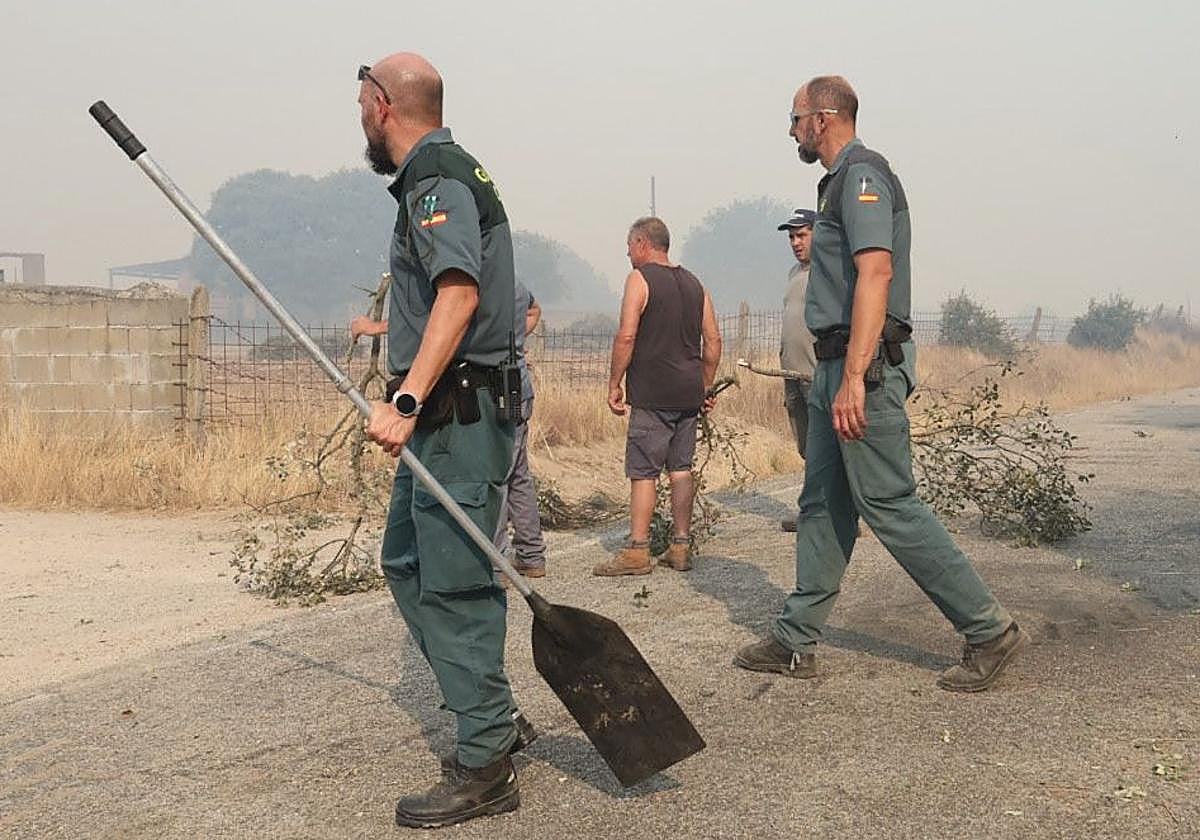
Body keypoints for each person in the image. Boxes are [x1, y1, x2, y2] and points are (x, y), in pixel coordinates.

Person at [734, 76, 1028, 692]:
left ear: (824, 117)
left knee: (888, 502)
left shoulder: (864, 176)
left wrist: (856, 380)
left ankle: (988, 629)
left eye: (794, 119)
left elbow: (876, 274)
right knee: (821, 503)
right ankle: (796, 640)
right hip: (833, 365)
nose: (790, 130)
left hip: (860, 368)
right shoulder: (836, 183)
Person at [353, 52, 530, 828]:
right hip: (444, 421)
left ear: (383, 104)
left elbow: (458, 293)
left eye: (361, 100)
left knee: (454, 583)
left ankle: (487, 763)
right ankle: (488, 706)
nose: (359, 115)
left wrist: (404, 397)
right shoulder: (444, 175)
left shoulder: (437, 179)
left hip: (455, 415)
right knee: (407, 561)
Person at [595, 217, 722, 576]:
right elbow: (713, 342)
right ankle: (680, 545)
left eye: (629, 245)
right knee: (681, 469)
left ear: (642, 242)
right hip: (687, 394)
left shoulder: (640, 279)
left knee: (644, 472)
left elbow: (626, 337)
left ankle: (637, 550)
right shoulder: (696, 285)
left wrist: (614, 383)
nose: (627, 252)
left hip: (652, 393)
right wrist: (705, 386)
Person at [495, 281, 548, 577]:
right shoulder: (513, 280)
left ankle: (497, 563)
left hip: (492, 393)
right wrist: (514, 342)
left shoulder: (476, 281)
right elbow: (535, 309)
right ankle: (531, 554)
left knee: (496, 477)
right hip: (519, 388)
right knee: (518, 474)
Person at [778, 208, 818, 533]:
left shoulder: (829, 272)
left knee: (824, 447)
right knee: (806, 446)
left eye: (802, 235)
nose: (795, 242)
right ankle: (815, 508)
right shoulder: (793, 272)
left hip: (816, 375)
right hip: (791, 374)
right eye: (792, 237)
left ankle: (825, 512)